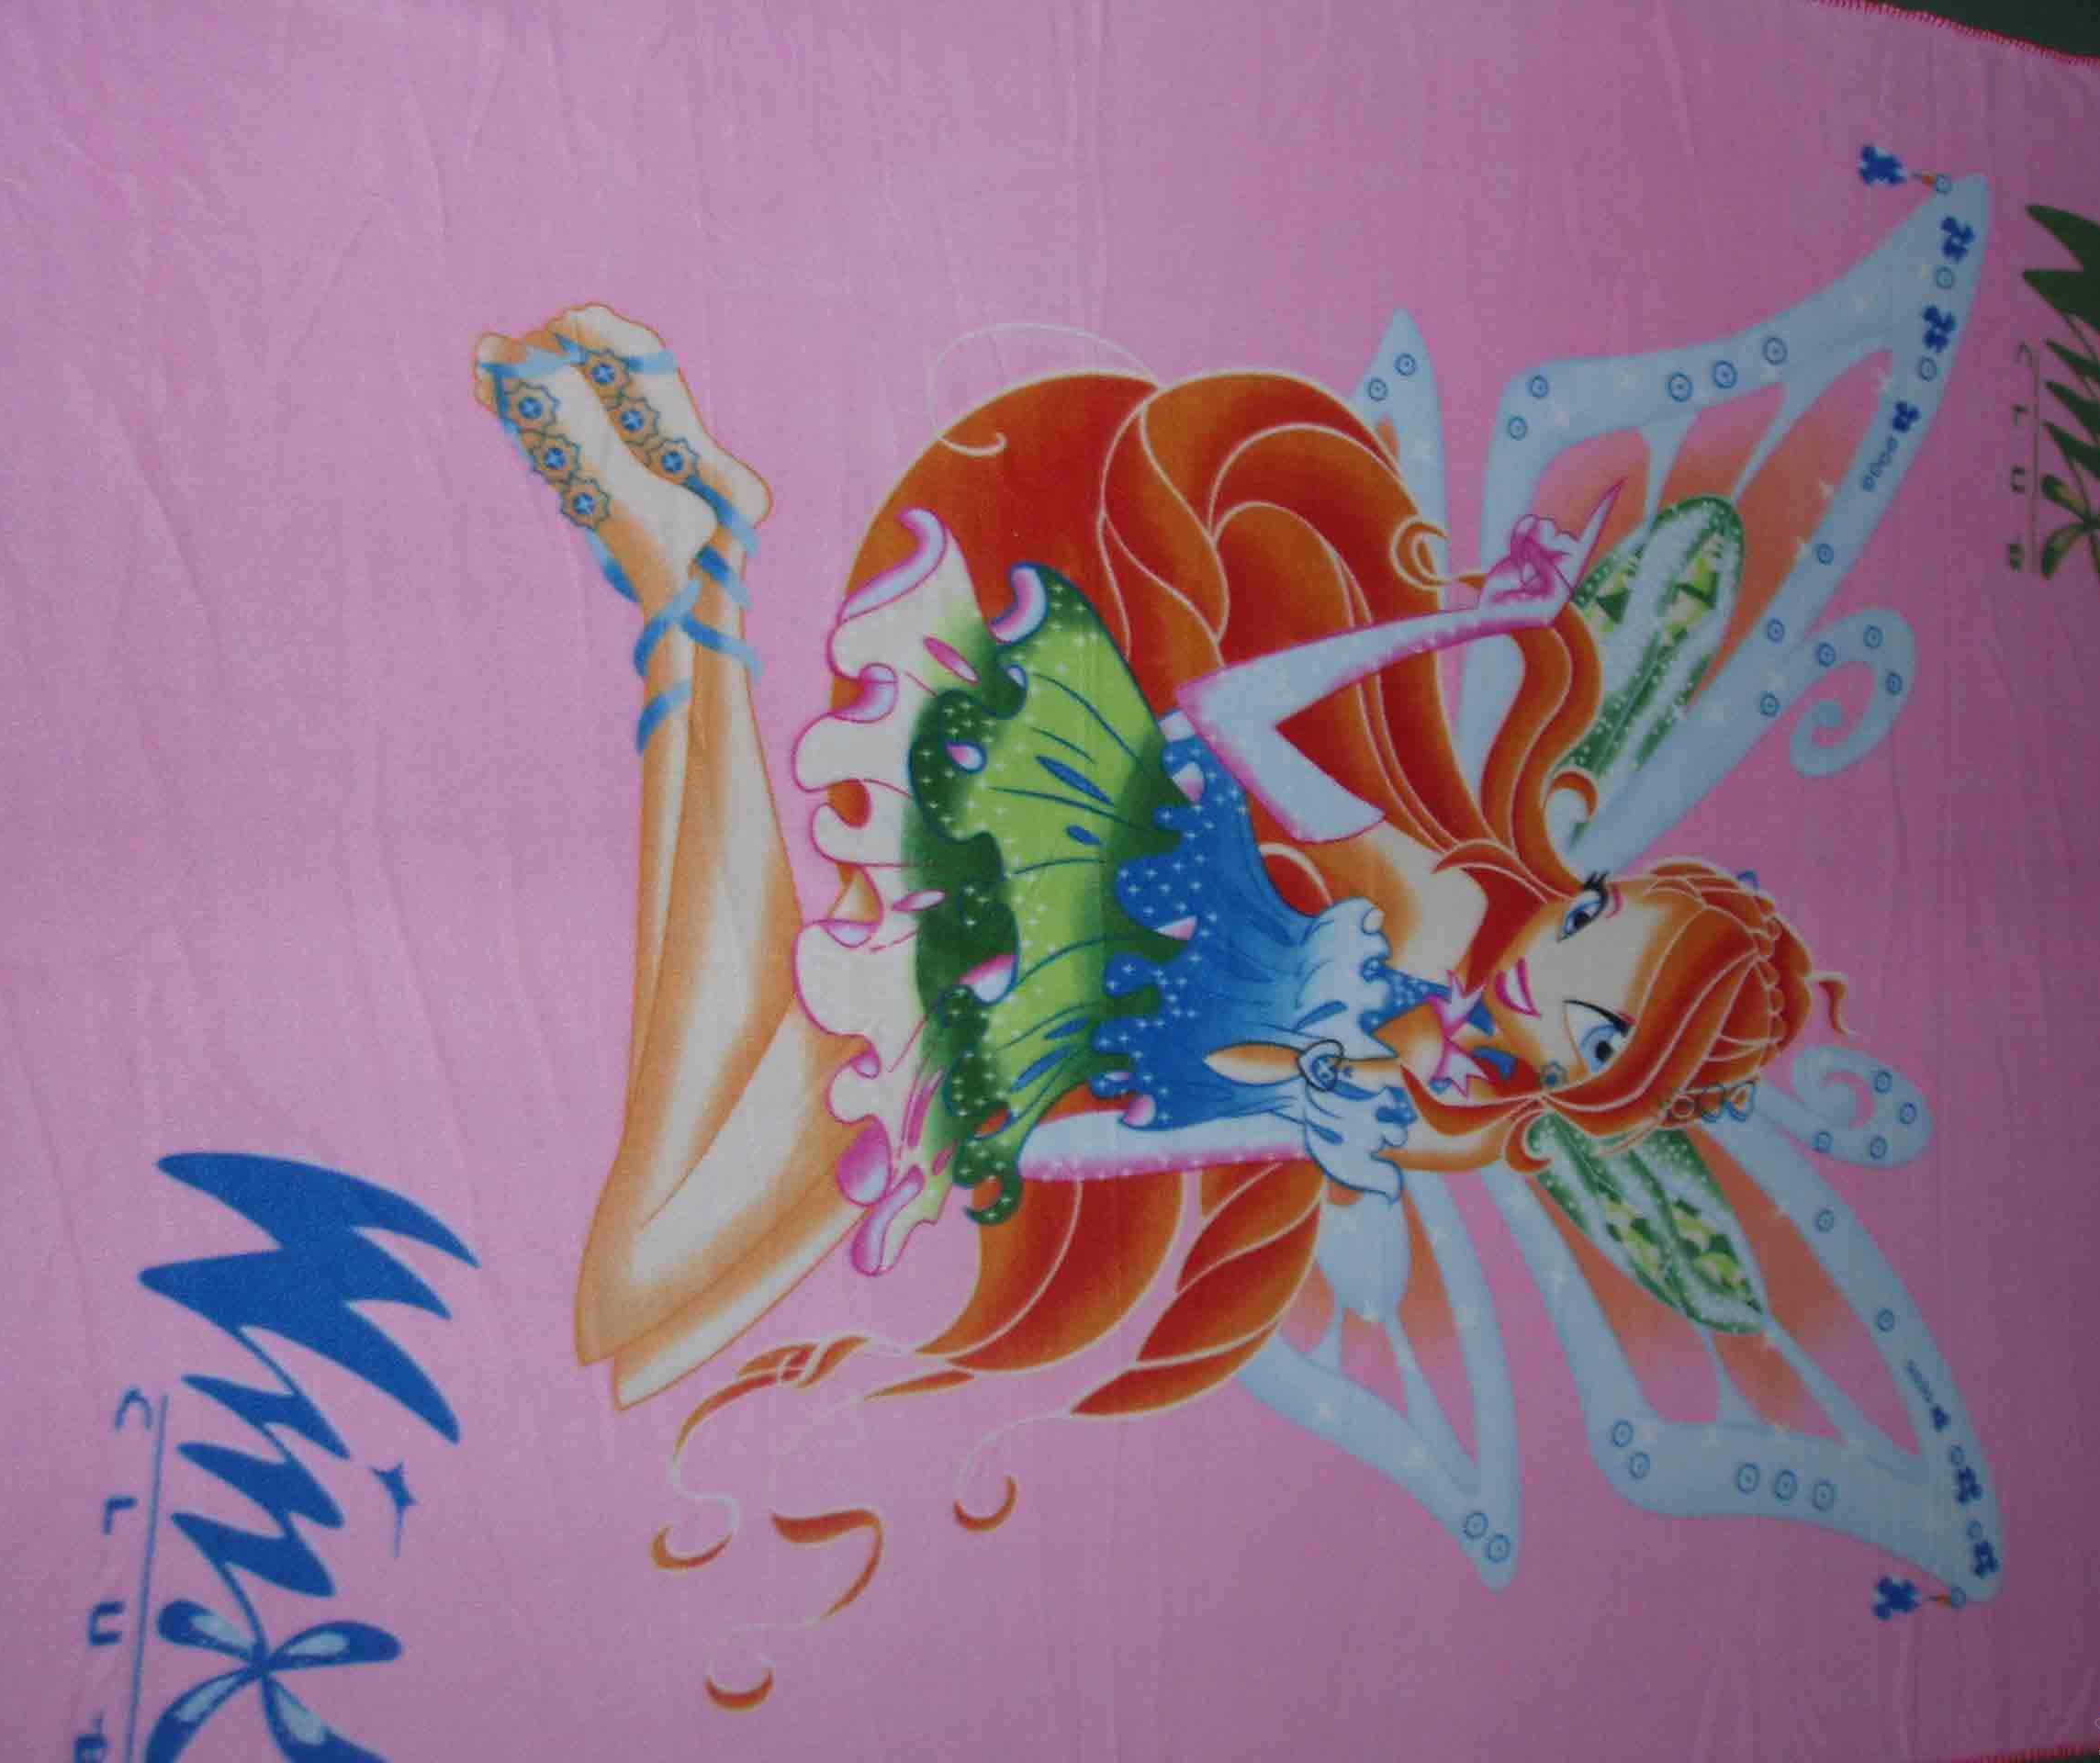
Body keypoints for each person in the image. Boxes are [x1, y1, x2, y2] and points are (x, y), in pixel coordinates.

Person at [472, 306, 1845, 1427]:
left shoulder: (1406, 1116)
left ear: (1600, 1083)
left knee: (642, 1314)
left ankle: (693, 577)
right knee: (641, 1288)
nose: (1542, 975)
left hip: (999, 1043)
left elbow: (1118, 1136)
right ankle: (691, 583)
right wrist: (1469, 624)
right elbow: (1227, 718)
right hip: (1039, 862)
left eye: (1594, 1024)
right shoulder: (1432, 913)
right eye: (1589, 918)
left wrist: (1001, 1136)